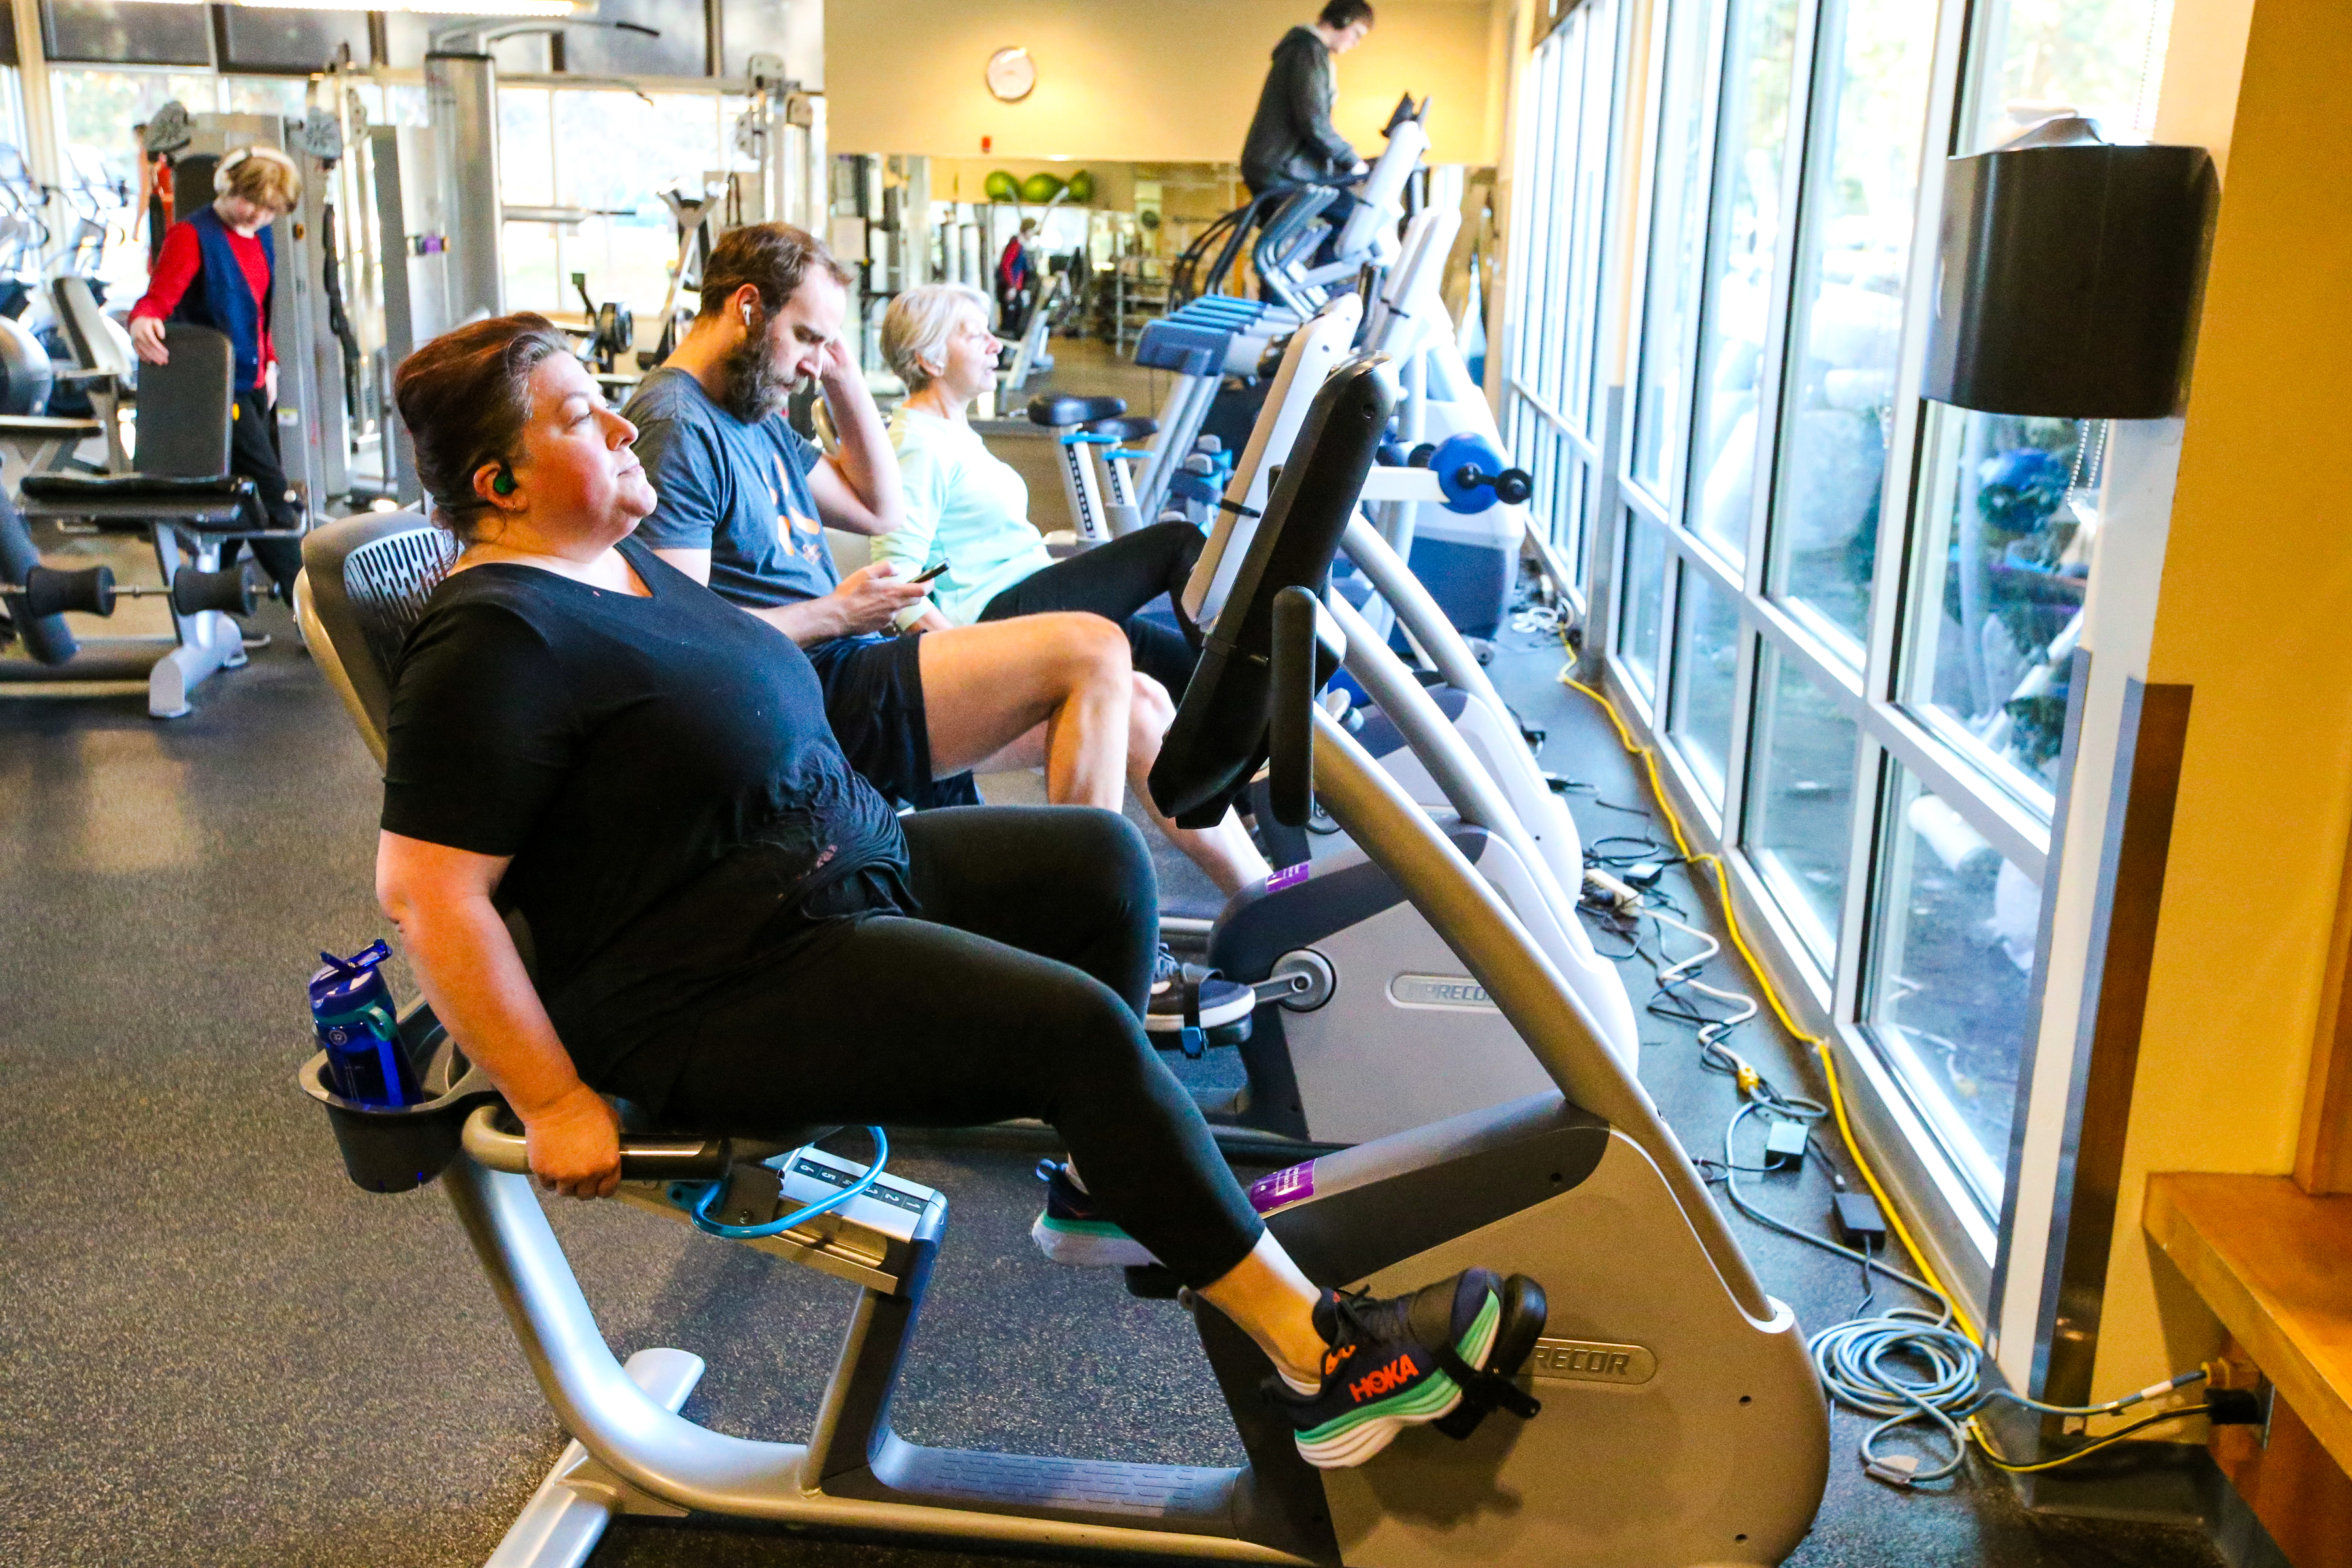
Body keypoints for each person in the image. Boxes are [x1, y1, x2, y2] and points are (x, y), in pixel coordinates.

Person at [373, 310, 1526, 1470]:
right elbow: (427, 895)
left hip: (836, 874)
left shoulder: (613, 564)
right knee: (1070, 1032)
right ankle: (1324, 1362)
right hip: (714, 982)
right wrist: (556, 1100)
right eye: (582, 417)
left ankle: (1105, 1174)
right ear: (500, 480)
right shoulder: (490, 639)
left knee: (1100, 862)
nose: (624, 424)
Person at [623, 225, 1257, 1037]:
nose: (816, 358)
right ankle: (1088, 944)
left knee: (1133, 698)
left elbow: (877, 507)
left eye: (827, 343)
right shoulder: (677, 423)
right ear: (748, 308)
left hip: (847, 662)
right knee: (1097, 644)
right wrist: (834, 614)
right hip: (805, 699)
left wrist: (842, 375)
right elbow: (688, 641)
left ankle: (1267, 903)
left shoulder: (752, 413)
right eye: (808, 336)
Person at [876, 282, 1268, 898]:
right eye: (970, 332)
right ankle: (1260, 697)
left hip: (1022, 600)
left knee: (1170, 672)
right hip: (994, 621)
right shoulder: (916, 443)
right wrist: (962, 660)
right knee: (1172, 543)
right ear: (928, 359)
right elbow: (895, 576)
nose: (990, 341)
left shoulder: (954, 432)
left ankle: (1250, 798)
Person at [129, 146, 305, 600]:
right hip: (213, 391)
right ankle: (313, 612)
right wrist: (142, 321)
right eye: (253, 204)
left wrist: (271, 364)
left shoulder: (259, 234)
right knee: (273, 495)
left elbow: (259, 313)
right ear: (227, 186)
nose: (259, 217)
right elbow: (157, 299)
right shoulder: (192, 235)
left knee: (237, 505)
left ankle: (214, 610)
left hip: (252, 384)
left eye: (270, 211)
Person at [1240, 3, 1375, 203]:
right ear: (1341, 21)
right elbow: (1313, 120)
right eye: (1356, 33)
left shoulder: (1308, 50)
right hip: (1279, 171)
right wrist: (1351, 161)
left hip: (1278, 167)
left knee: (1345, 209)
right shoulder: (1307, 51)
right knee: (1350, 212)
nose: (1356, 43)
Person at [996, 217, 1038, 338]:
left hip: (1015, 288)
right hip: (1011, 289)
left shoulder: (1020, 246)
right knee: (1009, 321)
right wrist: (1011, 286)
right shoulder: (1015, 245)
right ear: (1028, 230)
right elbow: (1006, 265)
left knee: (1016, 318)